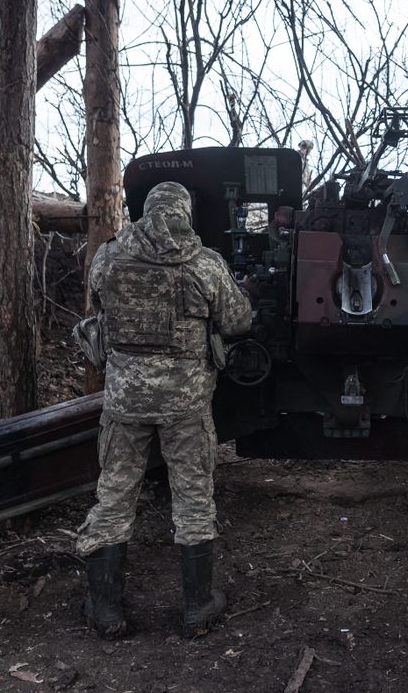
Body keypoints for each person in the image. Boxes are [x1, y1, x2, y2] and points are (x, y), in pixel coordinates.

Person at [76, 181, 251, 639]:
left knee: (114, 497)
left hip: (124, 401)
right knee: (193, 499)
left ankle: (106, 610)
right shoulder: (205, 264)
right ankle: (198, 606)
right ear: (184, 214)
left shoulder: (109, 256)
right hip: (185, 403)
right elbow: (238, 321)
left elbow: (96, 306)